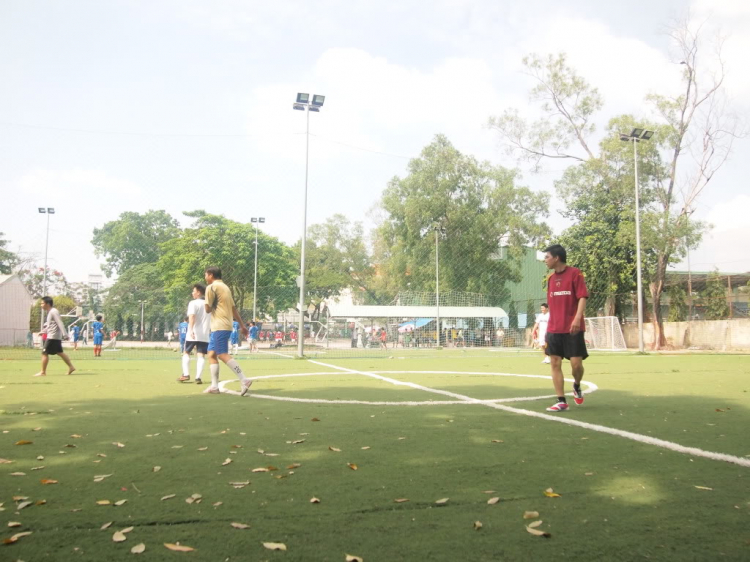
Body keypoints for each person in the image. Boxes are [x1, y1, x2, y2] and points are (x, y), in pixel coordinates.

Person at [543, 244, 588, 412]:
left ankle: (576, 385)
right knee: (555, 363)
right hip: (554, 328)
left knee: (576, 364)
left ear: (557, 258)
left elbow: (582, 297)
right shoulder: (550, 279)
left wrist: (577, 318)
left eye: (547, 257)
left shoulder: (575, 273)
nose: (545, 260)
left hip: (573, 328)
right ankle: (561, 400)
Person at [203, 267, 251, 395]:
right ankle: (214, 386)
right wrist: (242, 325)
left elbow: (207, 309)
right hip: (223, 325)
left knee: (221, 354)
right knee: (211, 354)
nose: (205, 277)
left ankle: (244, 379)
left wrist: (205, 301)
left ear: (211, 275)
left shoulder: (211, 287)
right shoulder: (226, 287)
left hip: (220, 325)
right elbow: (234, 309)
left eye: (206, 275)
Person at [33, 297, 76, 376]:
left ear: (48, 304)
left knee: (44, 353)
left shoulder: (54, 311)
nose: (41, 305)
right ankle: (71, 367)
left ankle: (43, 372)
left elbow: (59, 323)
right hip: (53, 336)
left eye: (42, 303)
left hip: (53, 336)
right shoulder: (49, 312)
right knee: (59, 352)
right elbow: (50, 325)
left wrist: (65, 334)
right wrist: (42, 332)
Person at [178, 284, 211, 384]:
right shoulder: (208, 303)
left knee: (186, 352)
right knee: (201, 355)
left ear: (199, 292)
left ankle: (186, 374)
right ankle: (198, 377)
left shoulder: (193, 303)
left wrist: (191, 329)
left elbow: (192, 317)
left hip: (193, 333)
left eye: (194, 291)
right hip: (204, 333)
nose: (192, 293)